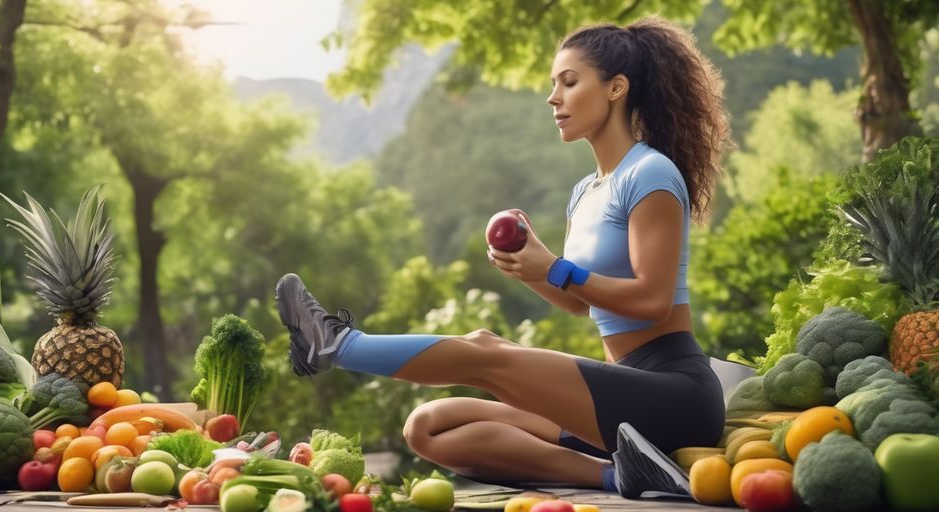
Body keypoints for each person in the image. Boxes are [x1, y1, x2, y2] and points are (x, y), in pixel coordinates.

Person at [275, 15, 731, 499]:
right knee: (427, 426)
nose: (553, 98)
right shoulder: (585, 193)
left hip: (673, 398)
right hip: (620, 404)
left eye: (569, 82)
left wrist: (554, 267)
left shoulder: (651, 173)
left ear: (617, 88)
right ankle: (619, 474)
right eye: (553, 84)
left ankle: (338, 344)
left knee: (486, 351)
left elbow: (653, 302)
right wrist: (527, 268)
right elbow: (580, 303)